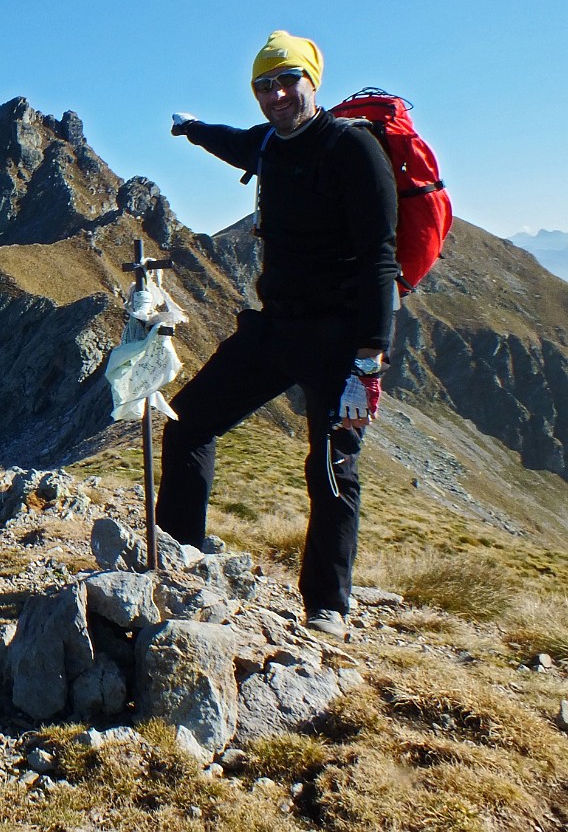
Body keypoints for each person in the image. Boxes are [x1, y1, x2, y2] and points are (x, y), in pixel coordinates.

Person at [158, 31, 398, 639]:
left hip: (340, 341)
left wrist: (368, 364)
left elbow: (380, 259)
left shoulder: (353, 149)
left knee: (331, 468)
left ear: (313, 80)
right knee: (186, 421)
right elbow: (239, 146)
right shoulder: (269, 143)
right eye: (264, 85)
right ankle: (177, 560)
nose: (276, 94)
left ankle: (327, 606)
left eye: (287, 80)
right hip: (276, 328)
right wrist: (193, 128)